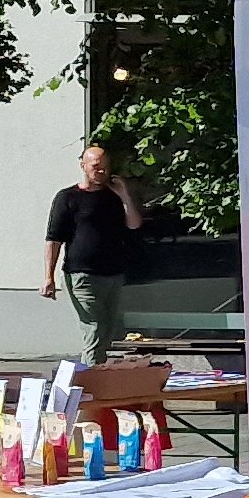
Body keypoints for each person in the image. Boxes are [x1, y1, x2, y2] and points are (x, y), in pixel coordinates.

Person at [39, 142, 145, 361]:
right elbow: (53, 239)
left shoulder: (114, 196)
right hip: (82, 276)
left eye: (105, 166)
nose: (102, 171)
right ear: (83, 165)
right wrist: (48, 277)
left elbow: (134, 224)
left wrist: (124, 194)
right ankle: (91, 380)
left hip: (113, 274)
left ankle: (99, 376)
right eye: (96, 166)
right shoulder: (67, 197)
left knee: (107, 329)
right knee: (94, 328)